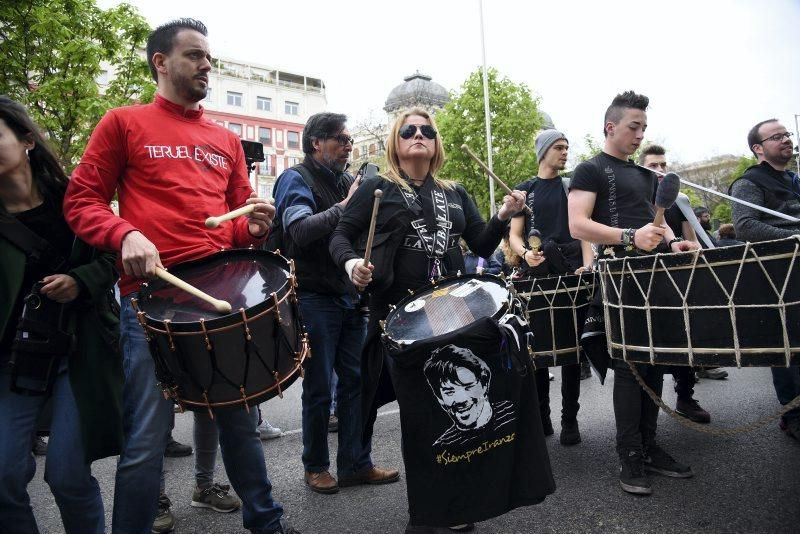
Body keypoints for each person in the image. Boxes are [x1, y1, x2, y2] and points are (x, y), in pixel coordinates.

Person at [63, 19, 298, 534]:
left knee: (239, 422)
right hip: (150, 300)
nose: (206, 65)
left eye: (209, 57)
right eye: (194, 55)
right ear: (161, 62)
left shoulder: (226, 141)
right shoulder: (122, 123)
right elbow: (80, 200)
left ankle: (268, 524)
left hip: (219, 298)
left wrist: (255, 228)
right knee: (146, 437)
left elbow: (238, 229)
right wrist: (124, 234)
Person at [329, 108, 546, 530]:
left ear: (436, 143)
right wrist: (352, 262)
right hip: (399, 319)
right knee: (420, 416)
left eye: (427, 131)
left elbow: (482, 244)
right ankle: (429, 515)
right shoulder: (377, 187)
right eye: (408, 130)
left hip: (453, 313)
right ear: (396, 141)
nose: (418, 135)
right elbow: (339, 235)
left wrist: (504, 214)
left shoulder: (455, 192)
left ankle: (464, 504)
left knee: (454, 418)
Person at [0, 96, 123, 533]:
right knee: (4, 478)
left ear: (27, 141)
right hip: (13, 359)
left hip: (79, 350)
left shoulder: (76, 198)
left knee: (68, 474)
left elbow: (114, 257)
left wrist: (81, 281)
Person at [568, 90, 699, 496]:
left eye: (644, 127)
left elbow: (653, 229)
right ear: (611, 126)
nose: (641, 134)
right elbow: (577, 225)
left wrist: (672, 242)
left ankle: (649, 446)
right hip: (619, 279)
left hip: (655, 277)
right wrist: (629, 235)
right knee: (629, 366)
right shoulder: (590, 170)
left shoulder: (647, 177)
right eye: (633, 126)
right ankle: (630, 458)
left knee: (654, 362)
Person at [271, 112, 398, 494]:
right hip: (313, 297)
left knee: (356, 384)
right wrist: (347, 205)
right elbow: (300, 230)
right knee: (320, 387)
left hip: (349, 296)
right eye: (340, 139)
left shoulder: (346, 180)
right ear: (316, 143)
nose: (348, 146)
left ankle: (356, 464)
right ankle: (316, 466)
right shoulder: (295, 179)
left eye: (348, 140)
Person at [507, 129, 593, 445]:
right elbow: (515, 234)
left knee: (572, 351)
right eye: (559, 147)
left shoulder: (573, 188)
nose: (565, 152)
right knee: (539, 352)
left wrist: (587, 265)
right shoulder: (525, 190)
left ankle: (570, 420)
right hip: (537, 276)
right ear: (543, 151)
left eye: (567, 147)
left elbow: (582, 232)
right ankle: (542, 418)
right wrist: (524, 252)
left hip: (570, 271)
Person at [730, 118, 800, 441]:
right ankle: (793, 414)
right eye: (777, 136)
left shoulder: (795, 179)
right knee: (789, 346)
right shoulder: (748, 183)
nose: (786, 139)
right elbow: (746, 227)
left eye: (787, 134)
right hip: (780, 277)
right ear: (758, 148)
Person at [639, 144, 711, 424]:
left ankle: (685, 396)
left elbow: (690, 238)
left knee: (685, 335)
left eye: (663, 166)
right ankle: (646, 409)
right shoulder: (637, 198)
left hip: (677, 276)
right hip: (645, 277)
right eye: (653, 166)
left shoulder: (679, 200)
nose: (659, 170)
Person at [423, 345, 516, 448]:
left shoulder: (514, 411)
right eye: (449, 392)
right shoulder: (442, 447)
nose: (460, 400)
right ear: (440, 399)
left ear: (485, 384)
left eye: (468, 386)